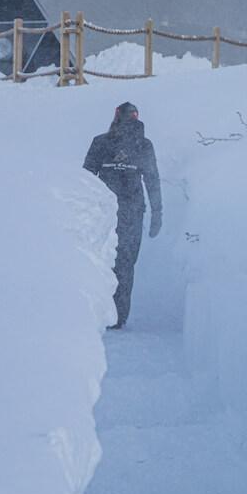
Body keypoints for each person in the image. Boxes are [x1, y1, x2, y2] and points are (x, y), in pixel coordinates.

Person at [83, 102, 162, 329]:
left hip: (106, 212)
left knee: (104, 260)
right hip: (128, 213)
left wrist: (84, 213)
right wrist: (157, 212)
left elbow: (85, 179)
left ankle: (104, 312)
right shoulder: (143, 145)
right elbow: (152, 180)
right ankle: (117, 316)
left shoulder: (102, 142)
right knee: (125, 262)